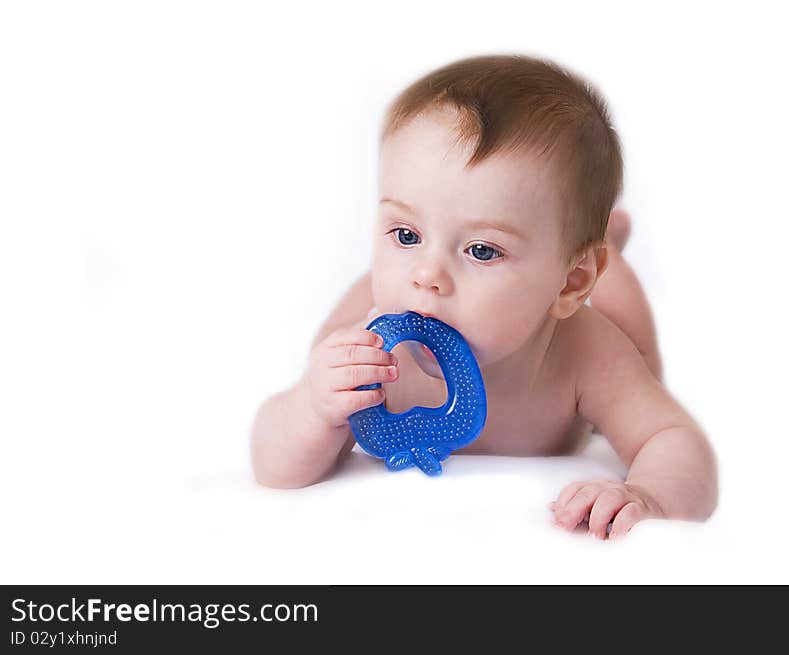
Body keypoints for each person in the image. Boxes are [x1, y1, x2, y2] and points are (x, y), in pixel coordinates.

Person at [251, 54, 717, 539]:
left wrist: (648, 493)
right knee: (346, 330)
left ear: (570, 283)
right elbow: (273, 467)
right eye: (405, 235)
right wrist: (311, 408)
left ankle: (606, 250)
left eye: (481, 249)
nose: (427, 275)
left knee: (633, 342)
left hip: (585, 305)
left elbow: (673, 438)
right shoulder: (372, 354)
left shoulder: (584, 354)